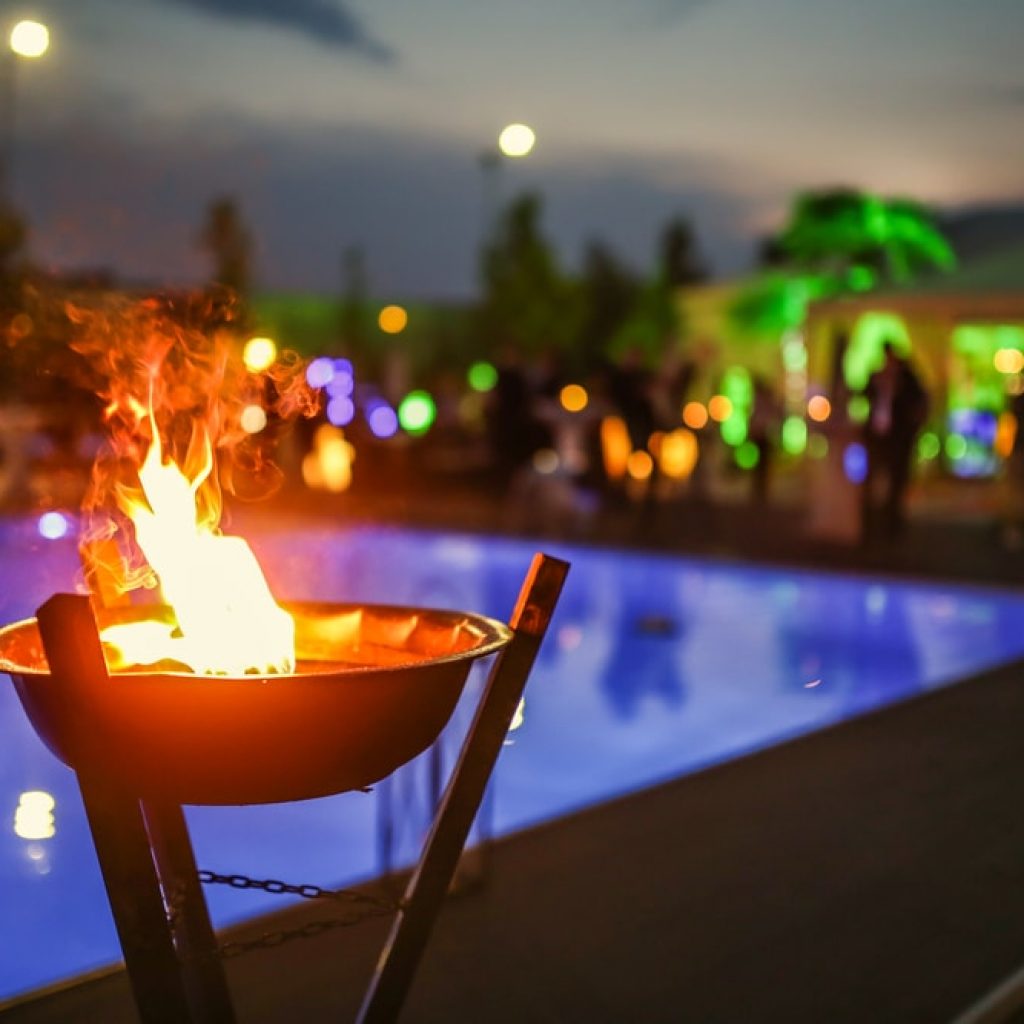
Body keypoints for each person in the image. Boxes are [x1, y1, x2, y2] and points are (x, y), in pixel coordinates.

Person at [861, 341, 928, 541]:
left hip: (899, 438)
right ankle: (871, 524)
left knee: (897, 482)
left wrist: (912, 428)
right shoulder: (877, 376)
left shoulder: (907, 379)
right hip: (877, 436)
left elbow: (919, 403)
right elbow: (864, 394)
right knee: (871, 480)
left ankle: (892, 527)